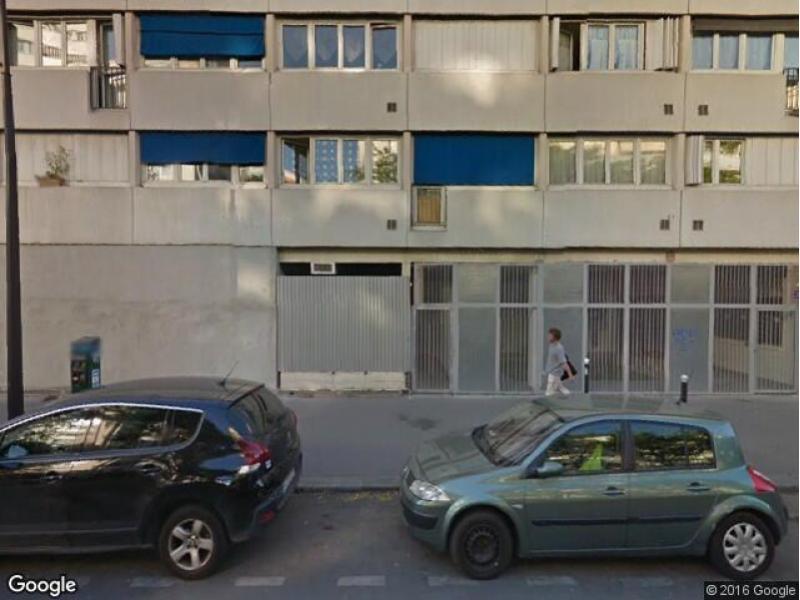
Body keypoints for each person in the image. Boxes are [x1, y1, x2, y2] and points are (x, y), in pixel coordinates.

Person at [545, 327, 571, 396]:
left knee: (549, 393)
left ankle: (570, 397)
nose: (548, 337)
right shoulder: (551, 345)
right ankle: (569, 397)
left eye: (550, 335)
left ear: (555, 337)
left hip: (554, 374)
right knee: (561, 388)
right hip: (553, 373)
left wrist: (570, 374)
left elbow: (563, 362)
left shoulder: (559, 348)